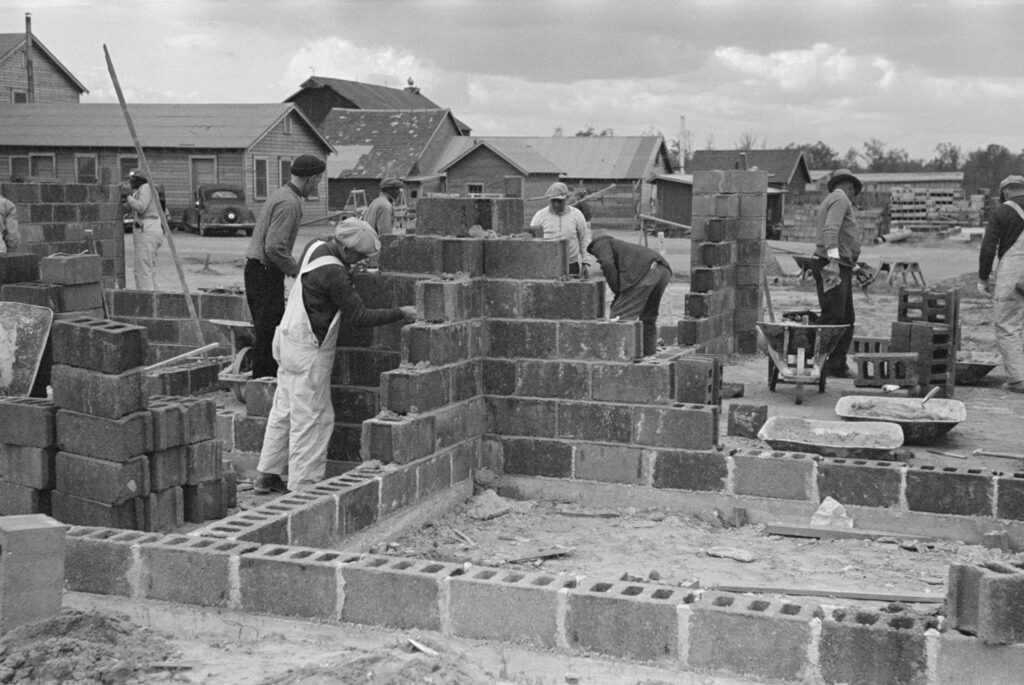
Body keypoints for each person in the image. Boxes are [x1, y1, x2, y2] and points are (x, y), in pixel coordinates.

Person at [253, 218, 416, 493]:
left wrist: (351, 270)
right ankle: (303, 488)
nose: (359, 261)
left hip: (287, 339)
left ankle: (267, 474)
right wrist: (400, 312)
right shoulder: (334, 274)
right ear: (345, 248)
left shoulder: (315, 247)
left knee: (284, 410)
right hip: (308, 350)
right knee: (313, 417)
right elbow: (359, 315)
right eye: (358, 256)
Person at [244, 154, 326, 379]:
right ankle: (263, 384)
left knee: (266, 329)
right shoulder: (289, 203)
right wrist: (296, 271)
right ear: (309, 178)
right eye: (318, 180)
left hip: (259, 270)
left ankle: (263, 383)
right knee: (269, 330)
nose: (317, 184)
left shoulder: (283, 195)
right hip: (265, 272)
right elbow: (274, 247)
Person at [586, 231, 672, 356]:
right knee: (648, 317)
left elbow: (607, 263)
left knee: (619, 317)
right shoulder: (621, 248)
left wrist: (617, 291)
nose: (597, 258)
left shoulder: (600, 242)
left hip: (646, 272)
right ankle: (649, 355)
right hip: (663, 270)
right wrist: (619, 293)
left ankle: (617, 358)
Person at [811, 168, 862, 378]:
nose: (854, 197)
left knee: (846, 318)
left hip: (840, 265)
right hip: (832, 265)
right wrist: (833, 261)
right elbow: (830, 231)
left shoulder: (833, 199)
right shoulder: (841, 200)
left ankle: (835, 364)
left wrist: (853, 265)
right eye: (854, 193)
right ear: (849, 187)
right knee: (834, 317)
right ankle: (816, 363)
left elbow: (840, 236)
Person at [978, 174, 1024, 393]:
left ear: (1005, 192)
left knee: (1007, 325)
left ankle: (1018, 379)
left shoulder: (1002, 212)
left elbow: (988, 247)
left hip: (1013, 274)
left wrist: (983, 278)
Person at [530, 182, 590, 276]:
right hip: (546, 265)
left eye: (560, 201)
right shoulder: (540, 216)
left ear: (567, 198)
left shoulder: (577, 215)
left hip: (571, 265)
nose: (556, 205)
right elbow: (532, 241)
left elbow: (585, 239)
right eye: (553, 201)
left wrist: (586, 262)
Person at [125, 169, 163, 290]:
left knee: (143, 270)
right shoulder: (142, 191)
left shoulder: (146, 188)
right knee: (148, 269)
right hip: (149, 229)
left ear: (138, 181)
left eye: (131, 180)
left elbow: (141, 207)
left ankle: (147, 300)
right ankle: (154, 300)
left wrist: (127, 197)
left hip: (147, 229)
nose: (130, 183)